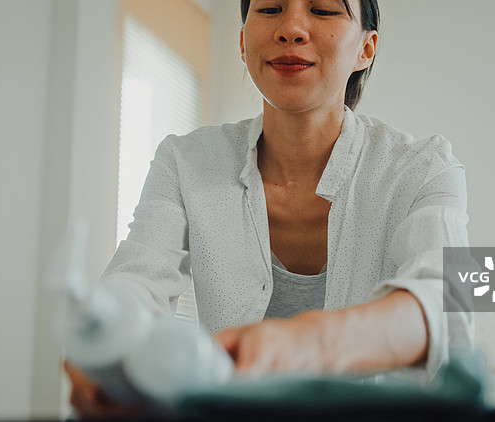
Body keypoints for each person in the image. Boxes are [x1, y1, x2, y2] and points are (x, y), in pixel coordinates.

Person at [66, 0, 473, 417]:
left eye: (324, 9)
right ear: (243, 43)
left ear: (365, 50)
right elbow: (139, 278)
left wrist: (306, 344)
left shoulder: (423, 168)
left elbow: (446, 296)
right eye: (271, 8)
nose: (292, 28)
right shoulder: (184, 160)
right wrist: (109, 342)